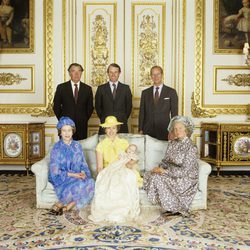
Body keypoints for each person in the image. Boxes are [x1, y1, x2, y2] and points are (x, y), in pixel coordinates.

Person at [143, 115, 198, 217]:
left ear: (186, 129)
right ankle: (169, 207)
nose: (177, 131)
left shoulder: (191, 147)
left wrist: (164, 172)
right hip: (171, 173)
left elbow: (185, 171)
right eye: (175, 129)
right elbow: (166, 161)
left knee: (157, 178)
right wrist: (159, 168)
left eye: (180, 128)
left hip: (185, 179)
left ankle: (176, 208)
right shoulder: (173, 143)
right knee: (149, 174)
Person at [89, 116, 140, 222]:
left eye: (113, 128)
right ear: (105, 129)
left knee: (125, 179)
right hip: (108, 170)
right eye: (108, 128)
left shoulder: (124, 143)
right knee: (109, 182)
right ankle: (110, 211)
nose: (111, 131)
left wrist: (133, 161)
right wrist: (102, 177)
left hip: (122, 168)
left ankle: (122, 211)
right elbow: (99, 167)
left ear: (117, 129)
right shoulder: (100, 145)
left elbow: (129, 161)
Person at [48, 117, 95, 215]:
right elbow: (55, 171)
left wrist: (83, 172)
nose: (67, 133)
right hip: (63, 178)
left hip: (77, 175)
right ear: (60, 132)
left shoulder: (77, 146)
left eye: (69, 130)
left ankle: (67, 206)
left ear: (72, 131)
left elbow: (83, 163)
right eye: (64, 131)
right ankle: (62, 204)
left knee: (91, 182)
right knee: (79, 185)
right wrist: (74, 175)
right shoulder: (56, 148)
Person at [53, 63, 94, 140]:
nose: (76, 74)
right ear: (69, 73)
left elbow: (90, 108)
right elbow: (56, 107)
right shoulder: (61, 87)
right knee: (65, 148)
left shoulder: (87, 89)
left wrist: (83, 119)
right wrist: (63, 120)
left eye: (79, 71)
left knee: (80, 147)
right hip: (65, 126)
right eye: (73, 71)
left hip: (82, 126)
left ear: (81, 73)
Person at [139, 65, 178, 141]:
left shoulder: (171, 92)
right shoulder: (145, 93)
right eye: (153, 74)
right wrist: (140, 129)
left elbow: (174, 114)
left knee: (162, 152)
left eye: (158, 74)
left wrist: (173, 130)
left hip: (164, 129)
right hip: (148, 129)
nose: (155, 76)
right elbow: (142, 113)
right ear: (151, 76)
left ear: (162, 75)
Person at [95, 63, 132, 134]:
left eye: (115, 72)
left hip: (121, 124)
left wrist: (123, 118)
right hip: (106, 124)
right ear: (108, 73)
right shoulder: (101, 88)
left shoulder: (126, 88)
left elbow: (129, 107)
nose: (113, 74)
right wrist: (104, 118)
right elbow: (98, 107)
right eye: (111, 72)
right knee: (105, 144)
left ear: (119, 73)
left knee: (121, 144)